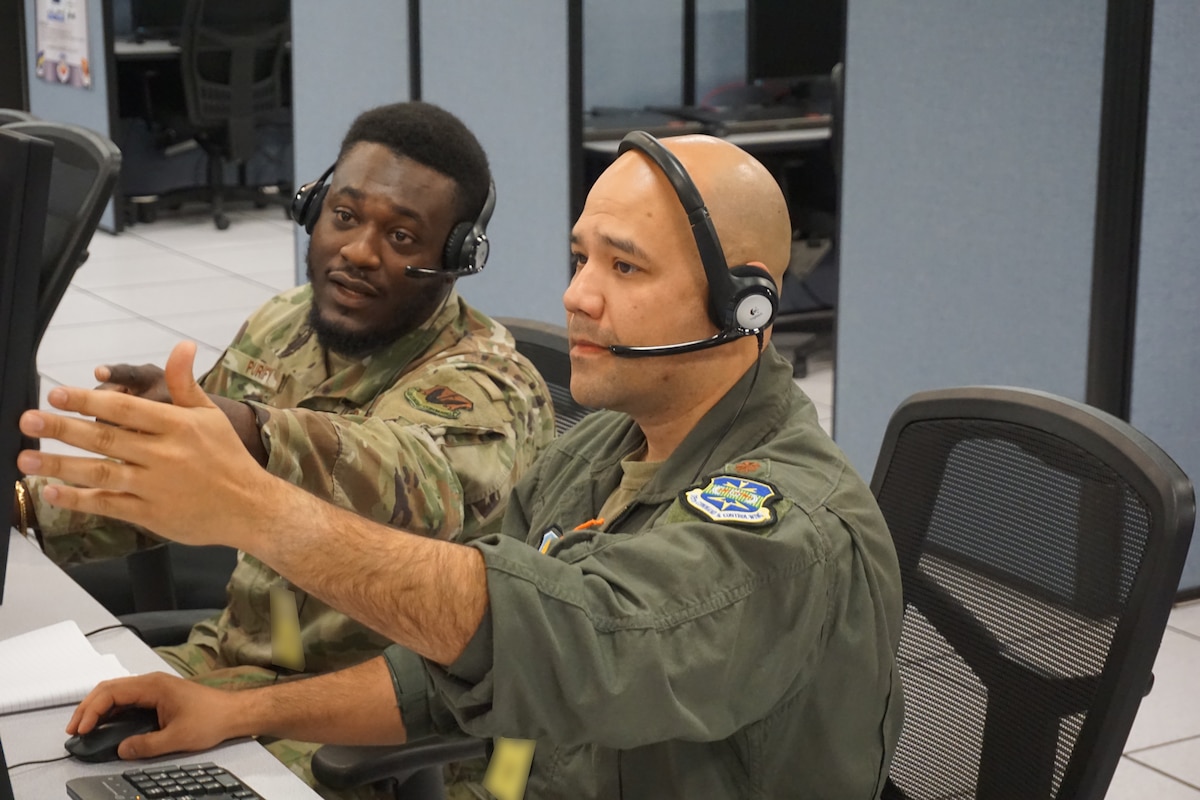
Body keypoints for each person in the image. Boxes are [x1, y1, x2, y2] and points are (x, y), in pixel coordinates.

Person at [19, 132, 904, 799]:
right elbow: (458, 675)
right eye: (580, 257)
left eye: (625, 267)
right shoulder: (604, 447)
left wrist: (253, 506)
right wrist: (239, 712)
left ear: (746, 303)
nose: (577, 295)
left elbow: (573, 642)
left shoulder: (789, 525)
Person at [11, 101, 555, 797]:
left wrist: (247, 429)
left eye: (402, 235)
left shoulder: (487, 386)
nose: (359, 250)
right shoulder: (284, 325)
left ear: (455, 258)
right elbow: (181, 486)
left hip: (387, 733)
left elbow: (407, 479)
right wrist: (27, 511)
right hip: (234, 670)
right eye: (347, 216)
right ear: (313, 208)